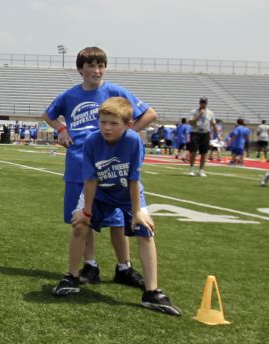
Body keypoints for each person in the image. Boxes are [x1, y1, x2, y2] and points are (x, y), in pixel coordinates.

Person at [52, 98, 181, 316]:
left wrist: (137, 211)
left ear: (128, 124)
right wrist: (86, 212)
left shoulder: (133, 142)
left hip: (127, 193)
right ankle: (72, 277)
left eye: (113, 124)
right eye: (103, 122)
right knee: (79, 226)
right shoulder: (92, 141)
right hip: (100, 193)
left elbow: (133, 179)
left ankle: (152, 292)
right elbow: (91, 181)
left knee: (145, 231)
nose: (107, 128)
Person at [43, 48, 157, 287]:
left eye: (100, 65)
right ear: (80, 69)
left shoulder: (114, 91)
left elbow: (149, 114)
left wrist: (126, 136)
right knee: (84, 218)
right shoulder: (70, 95)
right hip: (78, 163)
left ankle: (123, 266)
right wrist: (62, 130)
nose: (96, 70)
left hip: (113, 168)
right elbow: (48, 115)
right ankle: (90, 265)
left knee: (117, 219)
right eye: (91, 66)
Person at [184, 98, 218, 176]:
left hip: (205, 133)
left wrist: (218, 134)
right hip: (195, 133)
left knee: (204, 153)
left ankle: (201, 170)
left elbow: (213, 124)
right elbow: (190, 122)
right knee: (194, 152)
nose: (203, 104)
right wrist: (199, 115)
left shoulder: (210, 113)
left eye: (204, 103)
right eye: (202, 102)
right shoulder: (194, 112)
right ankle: (191, 169)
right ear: (199, 103)